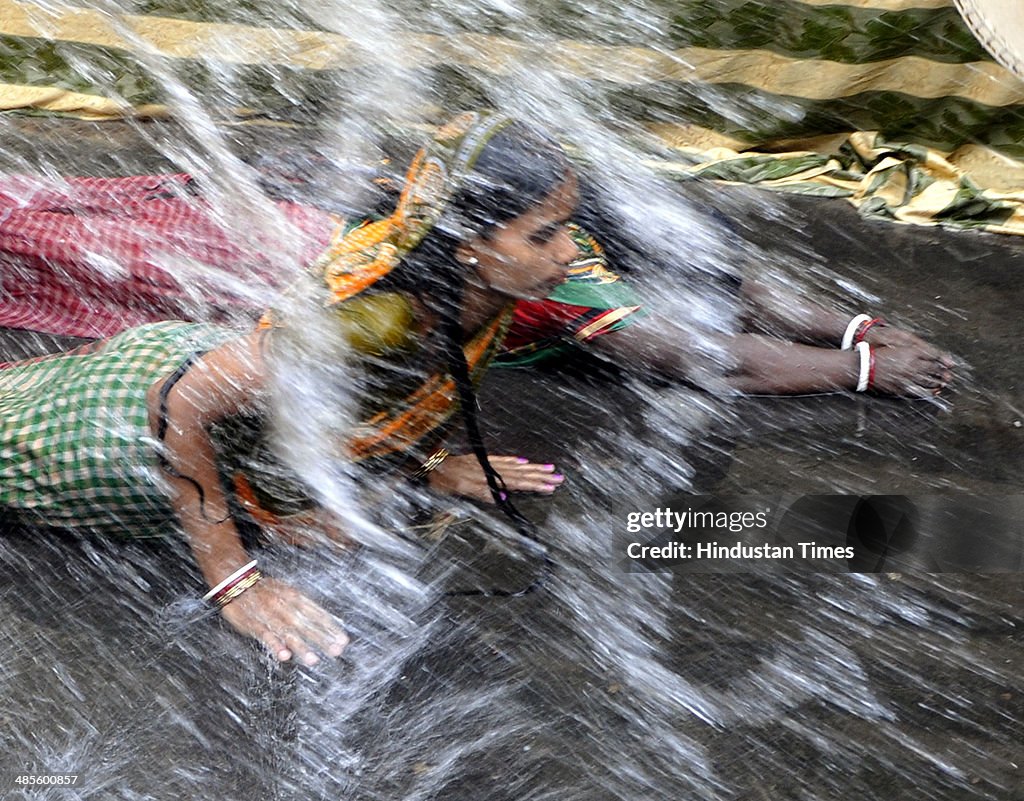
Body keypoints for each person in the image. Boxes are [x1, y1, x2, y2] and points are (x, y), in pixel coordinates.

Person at [0, 112, 576, 666]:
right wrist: (235, 582)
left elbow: (385, 397)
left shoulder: (473, 289)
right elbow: (176, 406)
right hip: (110, 437)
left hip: (192, 366)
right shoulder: (376, 321)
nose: (568, 253)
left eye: (567, 229)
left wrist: (429, 459)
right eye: (544, 235)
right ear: (468, 244)